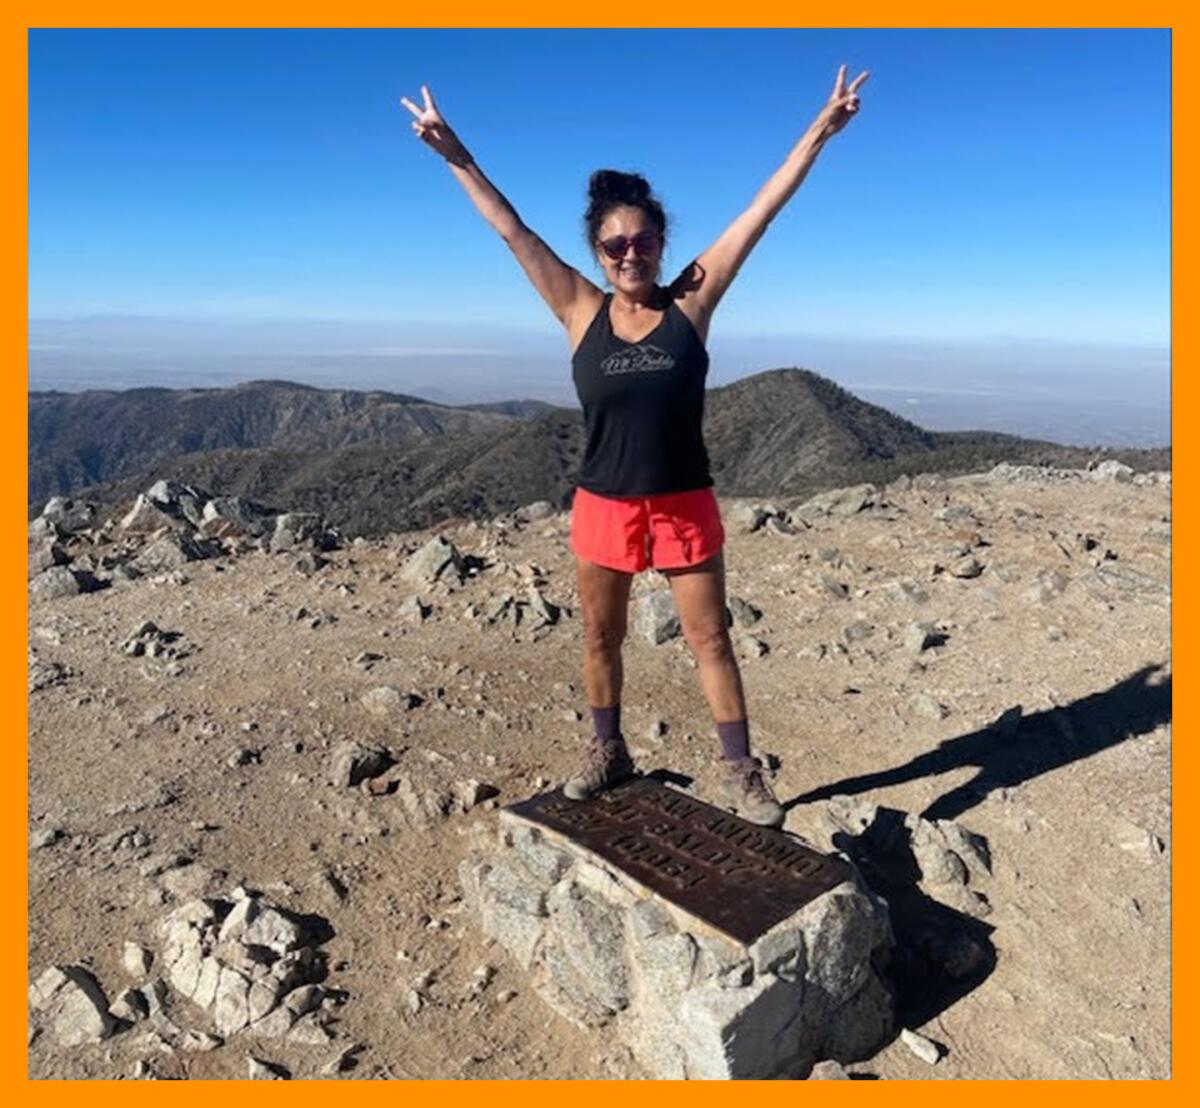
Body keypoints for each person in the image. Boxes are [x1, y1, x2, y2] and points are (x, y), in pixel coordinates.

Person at [400, 64, 868, 827]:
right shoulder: (580, 308)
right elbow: (512, 230)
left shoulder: (692, 299)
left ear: (661, 242)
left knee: (710, 636)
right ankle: (607, 748)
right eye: (614, 244)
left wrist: (820, 130)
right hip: (603, 503)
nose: (629, 253)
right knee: (598, 635)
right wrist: (454, 153)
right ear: (597, 250)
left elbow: (760, 210)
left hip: (683, 499)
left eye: (642, 239)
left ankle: (740, 771)